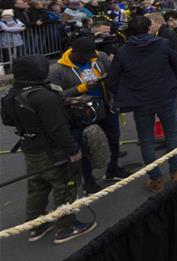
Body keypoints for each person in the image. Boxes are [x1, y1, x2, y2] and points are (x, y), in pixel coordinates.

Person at [4, 55, 97, 243]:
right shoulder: (44, 96)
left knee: (37, 186)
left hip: (30, 147)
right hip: (52, 149)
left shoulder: (10, 94)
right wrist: (73, 150)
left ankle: (36, 224)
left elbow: (7, 120)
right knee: (65, 185)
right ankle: (67, 226)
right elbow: (58, 129)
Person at [106, 15, 177, 192]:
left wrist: (126, 91)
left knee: (146, 139)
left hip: (140, 100)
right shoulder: (162, 43)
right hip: (165, 95)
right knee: (172, 133)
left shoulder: (123, 51)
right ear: (149, 28)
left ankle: (156, 179)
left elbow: (112, 79)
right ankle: (175, 171)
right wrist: (174, 80)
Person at [47, 37, 129, 193]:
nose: (92, 57)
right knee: (82, 147)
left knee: (114, 138)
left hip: (104, 105)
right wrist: (81, 88)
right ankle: (88, 181)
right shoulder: (57, 70)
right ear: (76, 53)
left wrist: (109, 81)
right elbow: (56, 97)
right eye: (87, 56)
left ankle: (113, 169)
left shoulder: (100, 57)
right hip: (79, 112)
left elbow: (114, 74)